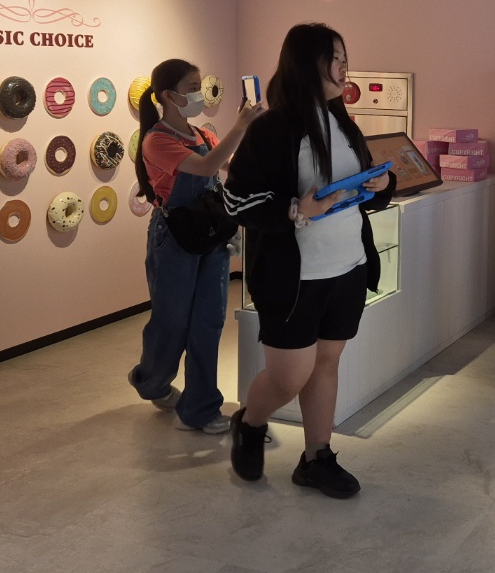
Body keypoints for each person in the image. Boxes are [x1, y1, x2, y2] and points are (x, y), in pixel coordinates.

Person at [223, 24, 396, 498]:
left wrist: (382, 185)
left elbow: (361, 187)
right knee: (288, 376)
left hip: (348, 265)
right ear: (306, 64)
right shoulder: (271, 128)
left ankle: (316, 457)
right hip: (294, 278)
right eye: (334, 59)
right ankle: (250, 423)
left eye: (344, 58)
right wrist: (294, 209)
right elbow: (235, 201)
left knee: (326, 364)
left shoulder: (343, 122)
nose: (344, 68)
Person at [128, 59, 259, 433]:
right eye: (192, 87)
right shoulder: (157, 141)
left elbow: (226, 166)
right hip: (174, 238)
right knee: (172, 321)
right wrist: (240, 125)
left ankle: (200, 408)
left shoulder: (203, 135)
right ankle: (151, 381)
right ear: (168, 95)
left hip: (210, 233)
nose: (199, 94)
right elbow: (205, 168)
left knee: (209, 321)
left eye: (200, 86)